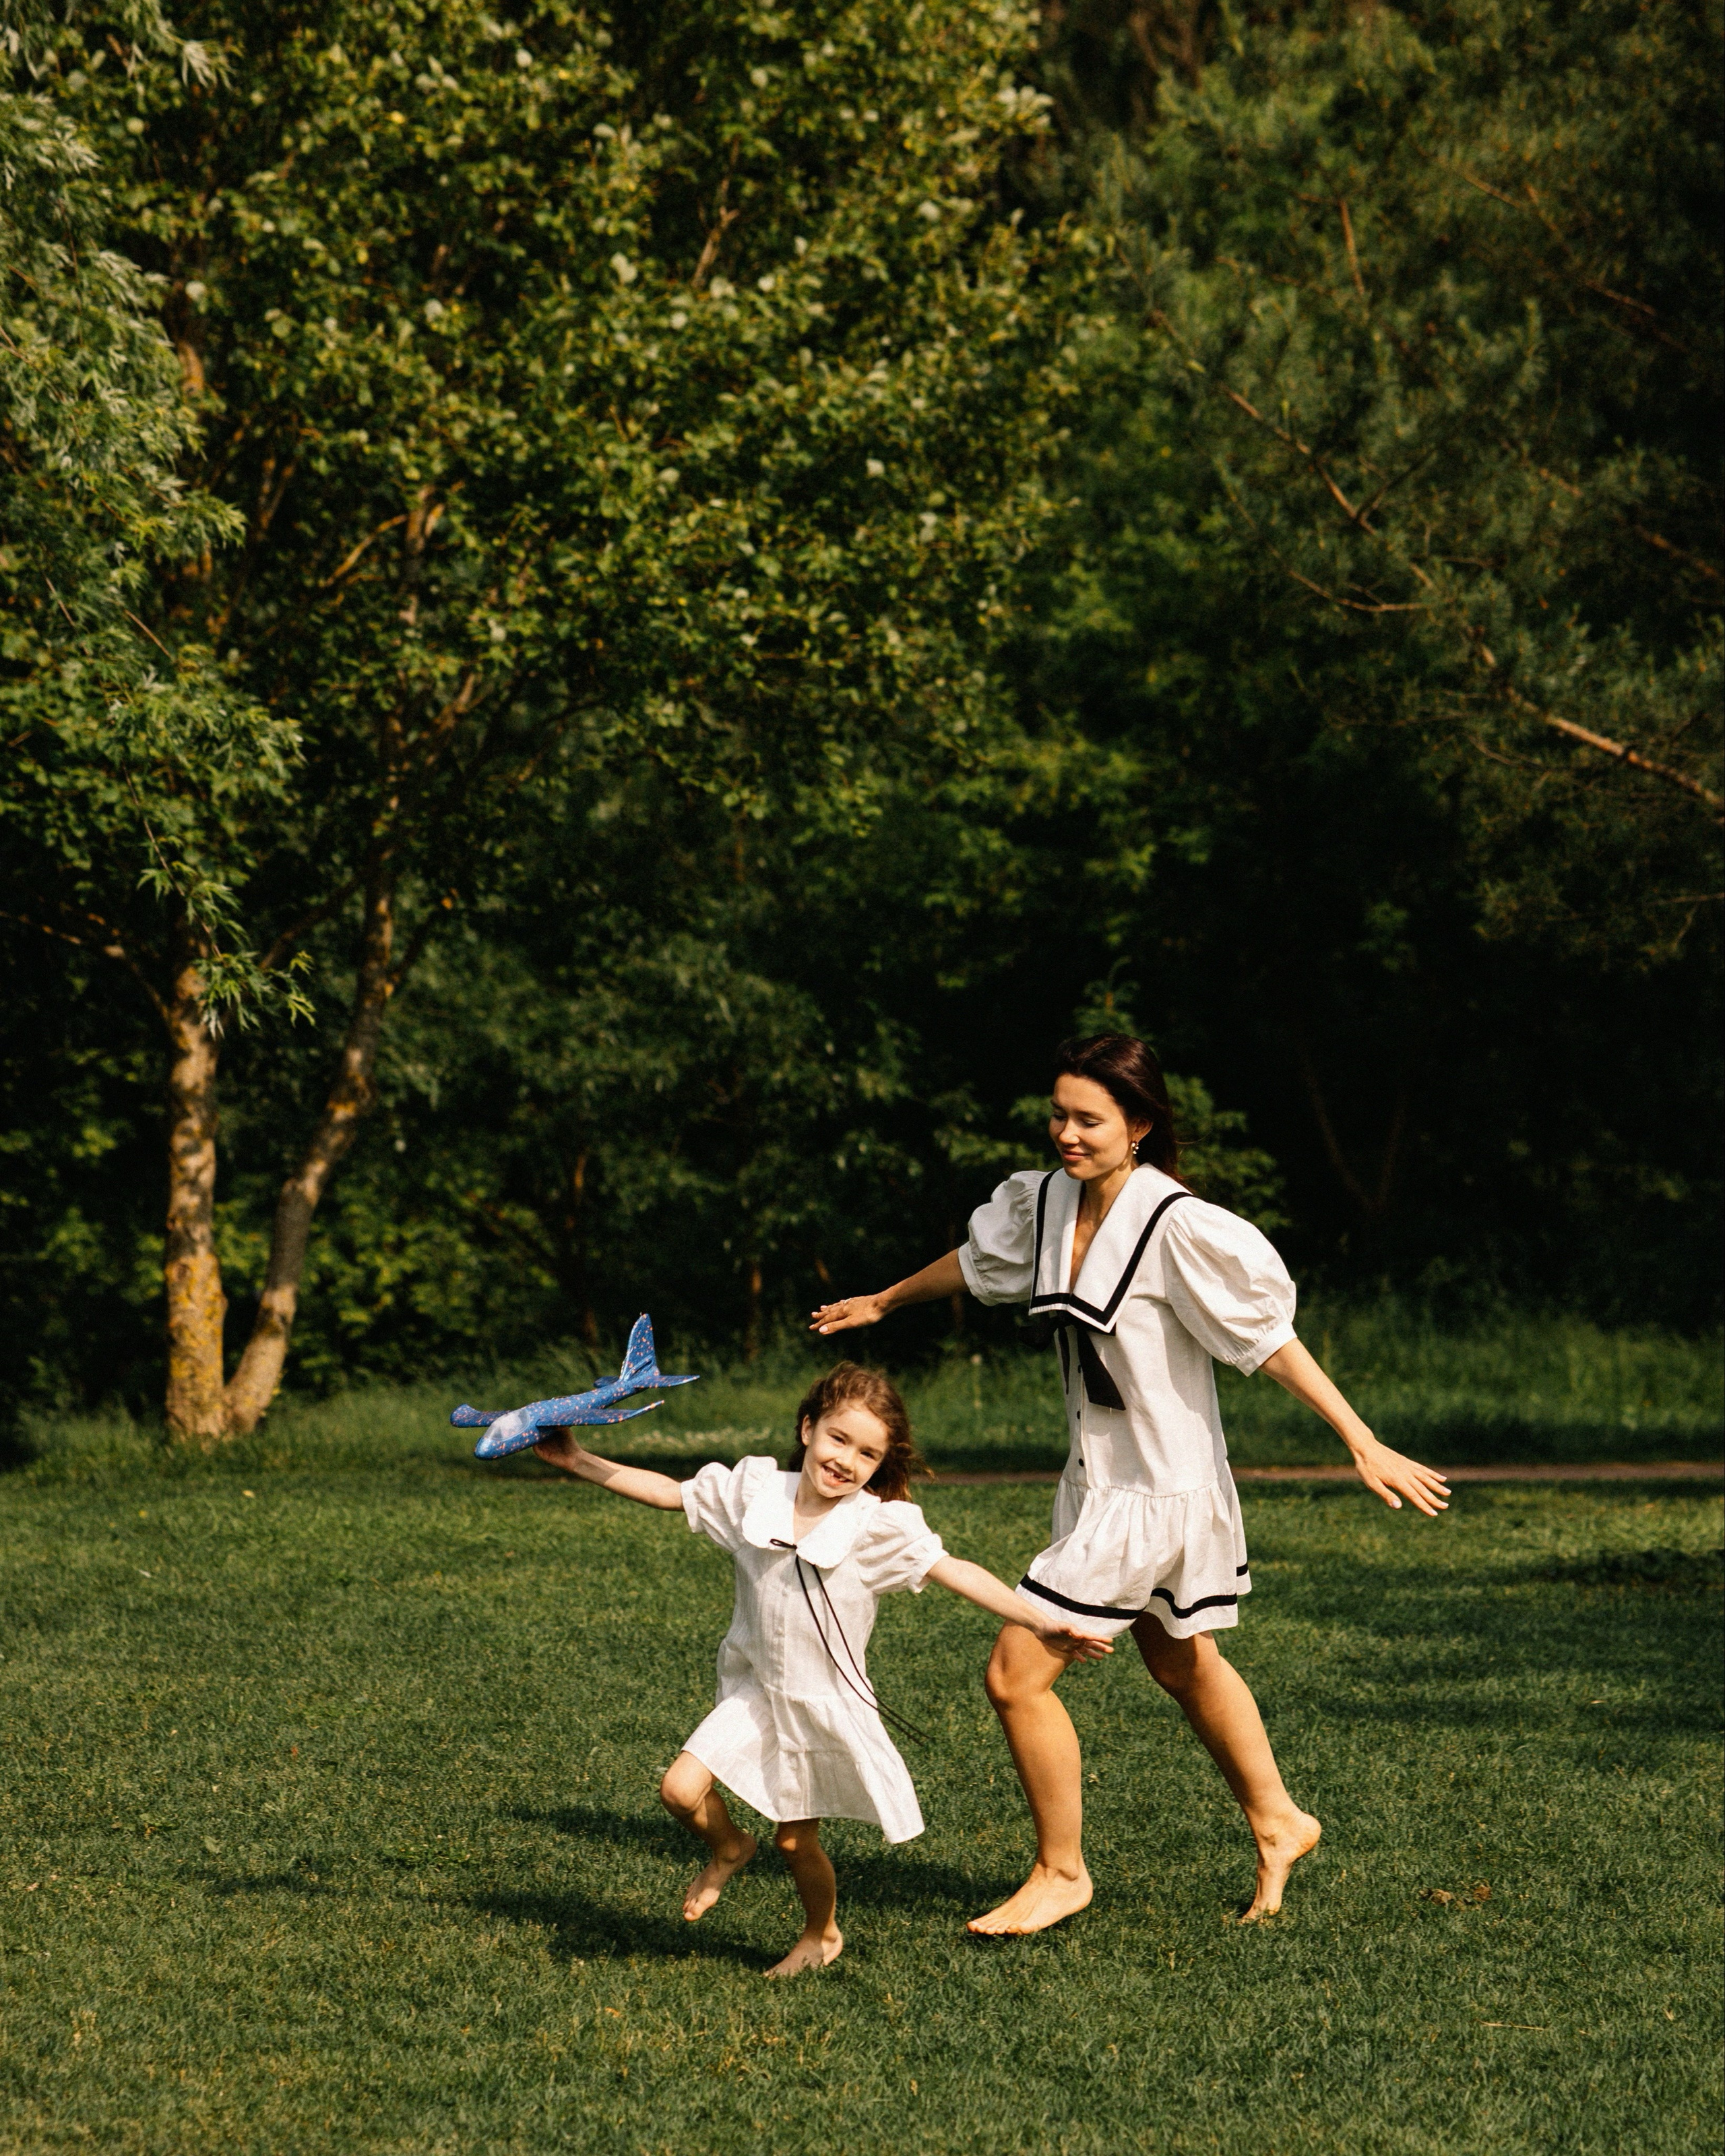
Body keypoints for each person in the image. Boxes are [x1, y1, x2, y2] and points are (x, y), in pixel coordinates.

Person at [811, 1033, 1449, 1932]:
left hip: (1158, 1494)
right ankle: (1280, 1819)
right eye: (1058, 1114)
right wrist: (884, 1299)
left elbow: (1267, 1339)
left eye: (1089, 1118)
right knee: (1180, 1658)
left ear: (1140, 1124)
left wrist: (1360, 1436)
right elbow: (978, 1262)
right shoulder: (1042, 1202)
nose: (1066, 1133)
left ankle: (1062, 1871)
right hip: (1097, 1480)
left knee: (1014, 1672)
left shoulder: (1178, 1223)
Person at [533, 1359, 1110, 1978]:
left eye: (867, 1453)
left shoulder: (874, 1525)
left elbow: (952, 1569)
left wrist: (1040, 1621)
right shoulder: (756, 1493)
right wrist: (579, 1460)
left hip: (822, 1703)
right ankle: (729, 1846)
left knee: (794, 1841)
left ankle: (821, 1933)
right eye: (838, 1438)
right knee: (678, 1789)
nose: (847, 1460)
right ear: (808, 1428)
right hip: (757, 1692)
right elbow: (670, 1492)